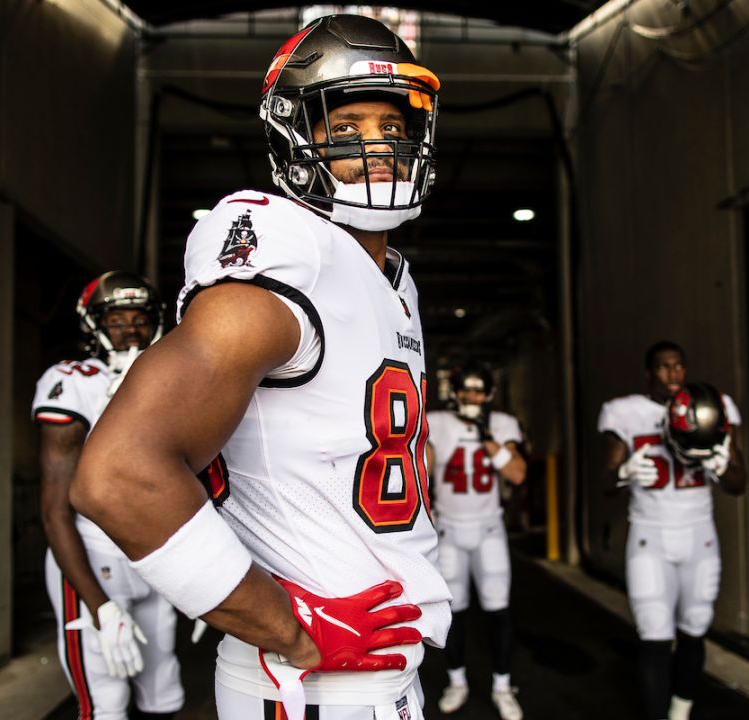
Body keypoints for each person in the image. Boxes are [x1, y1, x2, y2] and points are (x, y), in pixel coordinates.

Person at [69, 14, 447, 720]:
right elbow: (118, 474)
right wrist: (286, 628)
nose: (379, 145)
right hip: (310, 684)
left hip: (379, 670)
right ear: (295, 136)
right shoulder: (291, 251)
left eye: (393, 126)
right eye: (346, 126)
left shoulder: (392, 277)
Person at [32, 271, 183, 720]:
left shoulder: (171, 378)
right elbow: (55, 510)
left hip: (157, 552)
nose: (131, 328)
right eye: (118, 318)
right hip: (93, 552)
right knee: (106, 704)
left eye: (140, 318)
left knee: (163, 693)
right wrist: (98, 606)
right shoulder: (73, 380)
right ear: (95, 323)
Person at [598, 341, 748, 720]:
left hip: (700, 535)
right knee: (654, 636)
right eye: (664, 367)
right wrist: (624, 472)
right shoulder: (626, 412)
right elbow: (604, 481)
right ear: (650, 373)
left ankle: (680, 711)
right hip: (650, 535)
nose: (673, 374)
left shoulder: (713, 405)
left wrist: (720, 464)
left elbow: (738, 482)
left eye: (678, 366)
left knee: (695, 628)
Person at [424, 365, 527, 720]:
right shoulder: (437, 421)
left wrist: (485, 433)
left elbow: (516, 472)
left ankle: (502, 685)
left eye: (479, 391)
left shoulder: (501, 423)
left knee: (498, 610)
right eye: (466, 391)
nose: (473, 398)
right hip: (449, 530)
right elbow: (423, 467)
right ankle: (457, 681)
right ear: (454, 392)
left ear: (488, 394)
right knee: (455, 613)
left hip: (489, 530)